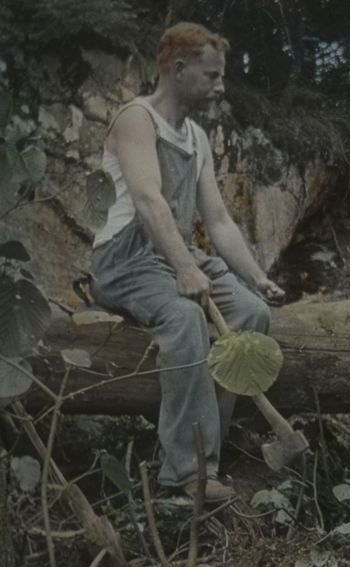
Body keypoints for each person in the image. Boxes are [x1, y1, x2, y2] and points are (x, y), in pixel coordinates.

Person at [90, 22, 284, 502]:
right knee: (184, 319)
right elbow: (149, 202)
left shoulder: (195, 136)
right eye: (212, 75)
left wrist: (257, 277)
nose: (221, 85)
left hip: (176, 254)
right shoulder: (137, 119)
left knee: (252, 315)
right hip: (127, 259)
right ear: (177, 70)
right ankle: (184, 474)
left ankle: (209, 447)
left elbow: (218, 221)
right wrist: (184, 269)